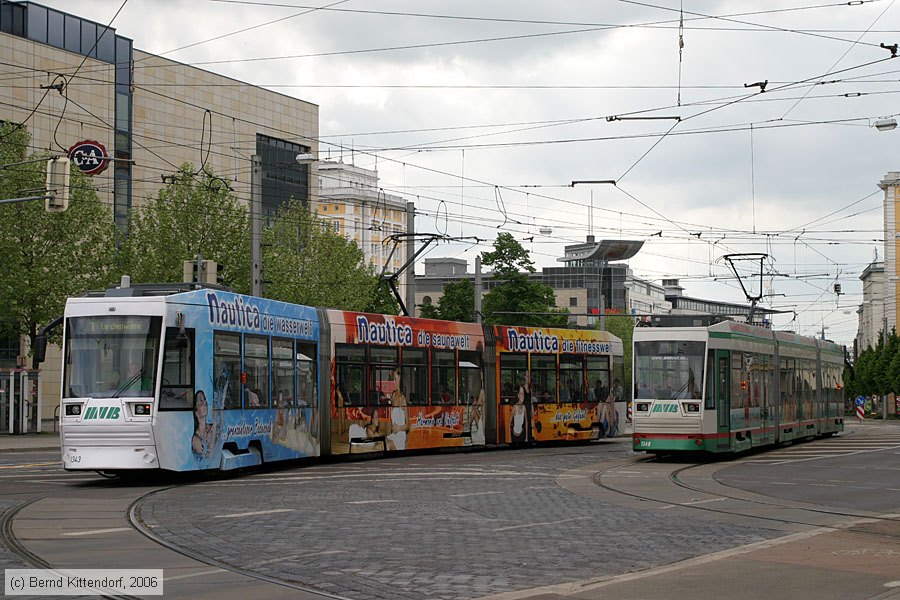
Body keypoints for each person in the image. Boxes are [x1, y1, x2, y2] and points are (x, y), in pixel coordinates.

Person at [192, 390, 221, 458]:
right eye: (200, 401)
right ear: (196, 413)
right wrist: (215, 421)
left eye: (204, 399)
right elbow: (209, 458)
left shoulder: (211, 428)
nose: (204, 402)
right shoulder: (196, 439)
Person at [387, 368, 409, 451]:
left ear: (400, 378)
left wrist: (398, 428)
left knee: (387, 446)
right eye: (393, 379)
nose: (393, 381)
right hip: (392, 434)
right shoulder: (393, 394)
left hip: (399, 435)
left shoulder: (402, 398)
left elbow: (408, 425)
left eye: (395, 379)